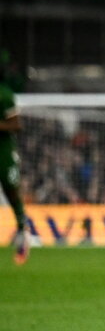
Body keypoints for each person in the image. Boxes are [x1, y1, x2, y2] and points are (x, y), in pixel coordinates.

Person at [0, 80, 29, 265]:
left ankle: (22, 231)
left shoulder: (4, 93)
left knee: (11, 189)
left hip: (3, 150)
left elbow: (17, 125)